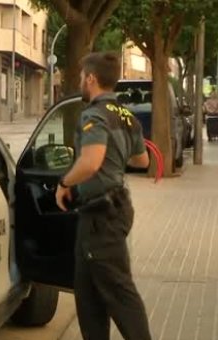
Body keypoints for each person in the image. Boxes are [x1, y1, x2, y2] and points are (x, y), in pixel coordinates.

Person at [55, 52, 152, 340]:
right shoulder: (126, 115)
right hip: (103, 212)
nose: (81, 81)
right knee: (88, 296)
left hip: (102, 217)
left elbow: (91, 161)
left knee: (119, 293)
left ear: (92, 78)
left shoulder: (94, 114)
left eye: (83, 76)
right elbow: (141, 161)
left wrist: (64, 182)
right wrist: (116, 156)